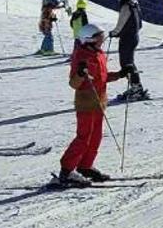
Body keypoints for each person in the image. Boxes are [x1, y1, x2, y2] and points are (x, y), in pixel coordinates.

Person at [53, 24, 132, 188]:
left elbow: (102, 77)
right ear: (89, 40)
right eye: (99, 38)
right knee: (84, 137)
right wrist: (81, 74)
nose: (101, 41)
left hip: (100, 102)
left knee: (95, 137)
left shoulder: (98, 54)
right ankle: (66, 170)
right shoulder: (81, 56)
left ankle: (85, 166)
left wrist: (120, 74)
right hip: (86, 103)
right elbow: (73, 83)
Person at [110, 0, 148, 101]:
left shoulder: (126, 6)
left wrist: (115, 32)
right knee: (129, 62)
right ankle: (136, 86)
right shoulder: (134, 4)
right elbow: (139, 23)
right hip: (134, 36)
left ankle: (136, 88)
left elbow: (121, 22)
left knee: (126, 63)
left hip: (127, 38)